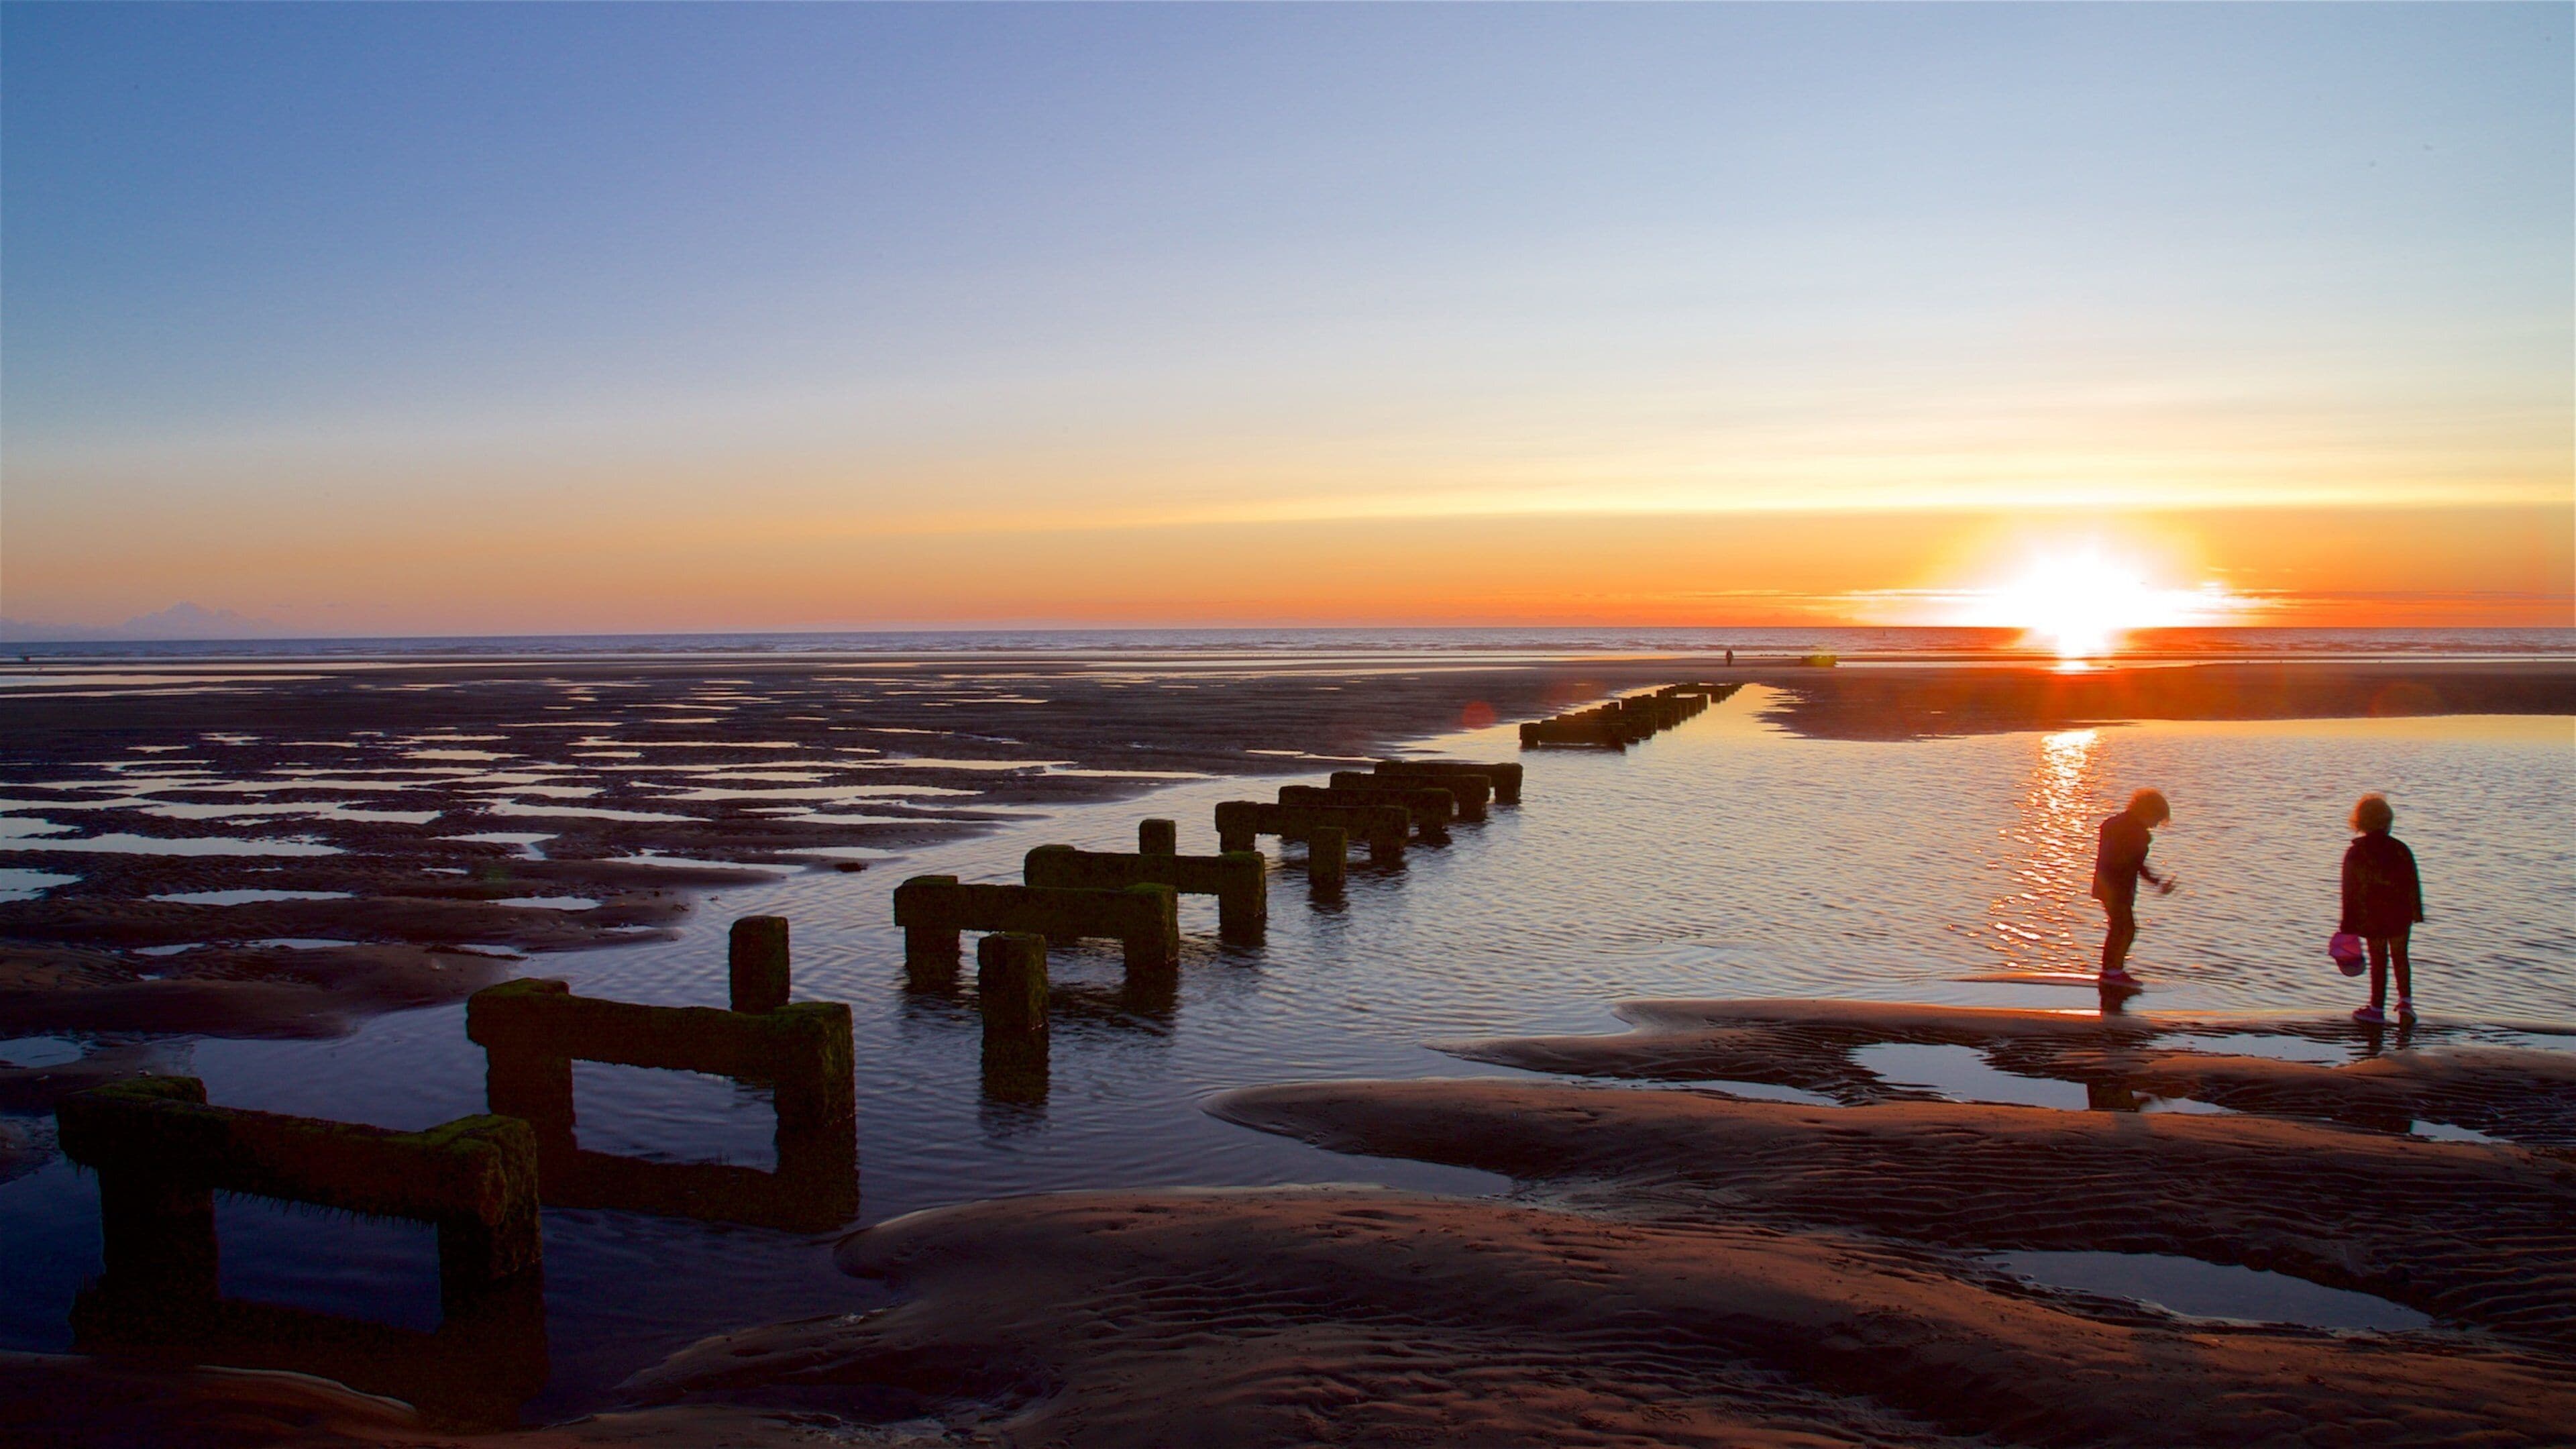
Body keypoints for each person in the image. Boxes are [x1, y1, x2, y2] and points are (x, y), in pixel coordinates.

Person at [2341, 794, 2424, 1024]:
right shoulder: (2400, 849)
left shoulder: (2357, 853)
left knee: (2379, 960)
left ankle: (2377, 1008)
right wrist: (2416, 912)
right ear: (2388, 821)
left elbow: (2350, 891)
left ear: (2360, 823)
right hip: (2400, 913)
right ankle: (2406, 1004)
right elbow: (2412, 883)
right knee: (2401, 957)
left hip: (2373, 914)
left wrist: (2348, 925)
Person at [2091, 788, 2173, 987]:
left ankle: (2111, 969)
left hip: (2103, 885)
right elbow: (2138, 865)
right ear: (2147, 812)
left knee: (2119, 927)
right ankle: (2112, 971)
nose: (2154, 826)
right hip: (2119, 889)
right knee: (2126, 929)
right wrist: (2158, 883)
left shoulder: (2112, 823)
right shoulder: (2139, 835)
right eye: (2155, 820)